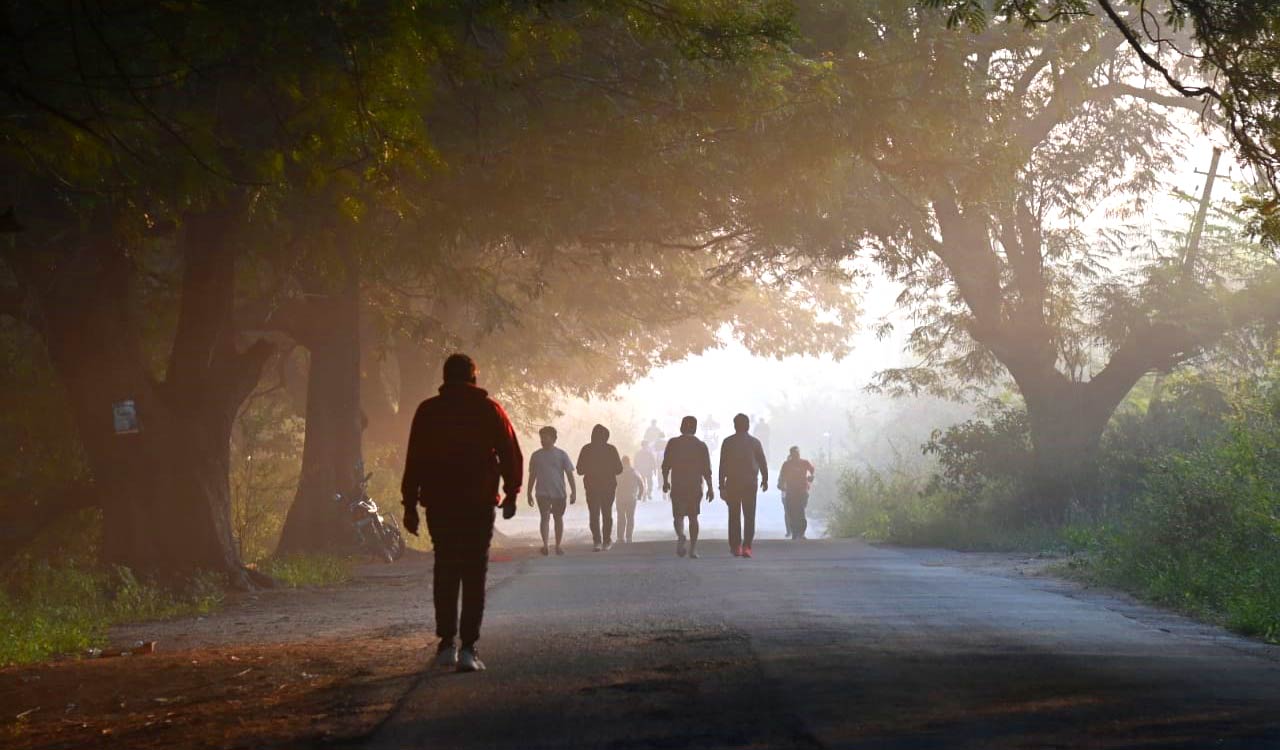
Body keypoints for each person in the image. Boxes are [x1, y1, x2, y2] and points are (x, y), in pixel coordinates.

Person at [401, 353, 522, 673]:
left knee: (445, 568)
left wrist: (409, 505)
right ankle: (468, 647)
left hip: (440, 503)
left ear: (444, 378)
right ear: (473, 378)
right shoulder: (489, 409)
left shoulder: (428, 411)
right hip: (478, 502)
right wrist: (511, 493)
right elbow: (510, 451)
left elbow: (415, 459)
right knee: (473, 571)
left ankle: (445, 645)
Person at [662, 416, 714, 559]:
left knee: (678, 516)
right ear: (695, 429)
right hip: (694, 486)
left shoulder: (673, 443)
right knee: (693, 517)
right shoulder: (701, 445)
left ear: (681, 427)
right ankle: (693, 549)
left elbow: (666, 464)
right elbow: (706, 469)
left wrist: (666, 481)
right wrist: (710, 487)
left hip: (678, 485)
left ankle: (681, 535)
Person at [718, 414, 768, 558]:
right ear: (748, 426)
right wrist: (765, 479)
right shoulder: (755, 442)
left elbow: (723, 465)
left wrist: (721, 486)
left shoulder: (727, 442)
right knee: (749, 515)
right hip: (750, 483)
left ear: (734, 425)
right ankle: (747, 546)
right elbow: (762, 462)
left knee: (734, 515)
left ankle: (736, 547)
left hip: (733, 483)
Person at [527, 426, 577, 556]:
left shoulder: (562, 455)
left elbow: (569, 474)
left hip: (559, 492)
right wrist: (528, 492)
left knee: (558, 518)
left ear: (553, 439)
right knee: (544, 516)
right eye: (541, 437)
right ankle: (545, 545)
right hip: (542, 492)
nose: (543, 440)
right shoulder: (536, 456)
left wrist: (574, 492)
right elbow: (532, 475)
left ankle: (558, 545)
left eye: (546, 437)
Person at [577, 424, 623, 551]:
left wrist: (591, 470)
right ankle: (607, 541)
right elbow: (619, 469)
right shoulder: (611, 449)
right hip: (608, 487)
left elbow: (579, 470)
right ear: (606, 437)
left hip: (591, 487)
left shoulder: (586, 449)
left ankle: (597, 541)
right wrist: (608, 470)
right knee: (607, 513)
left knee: (594, 514)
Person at [778, 446, 816, 540]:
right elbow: (782, 476)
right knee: (791, 512)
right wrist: (781, 485)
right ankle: (795, 532)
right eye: (794, 454)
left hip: (802, 491)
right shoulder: (786, 465)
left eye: (797, 453)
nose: (796, 455)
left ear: (799, 454)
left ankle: (801, 532)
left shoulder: (805, 462)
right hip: (790, 491)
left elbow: (812, 470)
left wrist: (811, 477)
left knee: (800, 511)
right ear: (791, 454)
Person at [616, 455, 645, 544]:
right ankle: (629, 537)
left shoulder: (617, 472)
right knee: (630, 518)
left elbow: (611, 484)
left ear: (621, 462)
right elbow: (641, 484)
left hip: (620, 498)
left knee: (621, 518)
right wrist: (640, 495)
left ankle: (620, 538)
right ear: (629, 462)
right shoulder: (634, 472)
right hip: (631, 498)